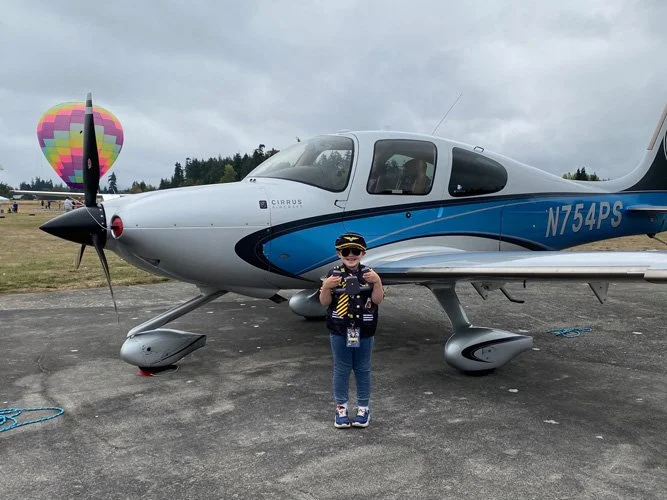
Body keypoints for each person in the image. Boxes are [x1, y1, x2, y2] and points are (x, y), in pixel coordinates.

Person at [319, 233, 384, 428]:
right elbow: (325, 303)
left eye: (355, 251)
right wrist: (325, 287)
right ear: (339, 253)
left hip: (364, 329)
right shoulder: (334, 274)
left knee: (363, 368)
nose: (351, 255)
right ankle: (341, 408)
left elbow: (378, 299)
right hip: (340, 329)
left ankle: (363, 408)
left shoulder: (369, 274)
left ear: (363, 253)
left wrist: (378, 282)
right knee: (341, 368)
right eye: (346, 251)